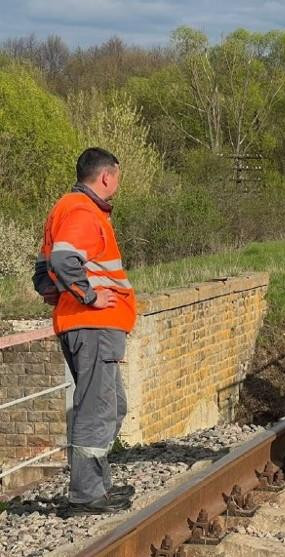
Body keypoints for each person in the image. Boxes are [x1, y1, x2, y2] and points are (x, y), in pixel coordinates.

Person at [33, 148, 137, 514]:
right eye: (117, 178)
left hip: (83, 326)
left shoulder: (63, 209)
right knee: (97, 411)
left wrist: (60, 295)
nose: (117, 185)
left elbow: (43, 272)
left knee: (111, 406)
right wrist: (88, 297)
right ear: (106, 177)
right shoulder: (83, 211)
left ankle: (98, 486)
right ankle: (86, 494)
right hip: (93, 326)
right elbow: (63, 261)